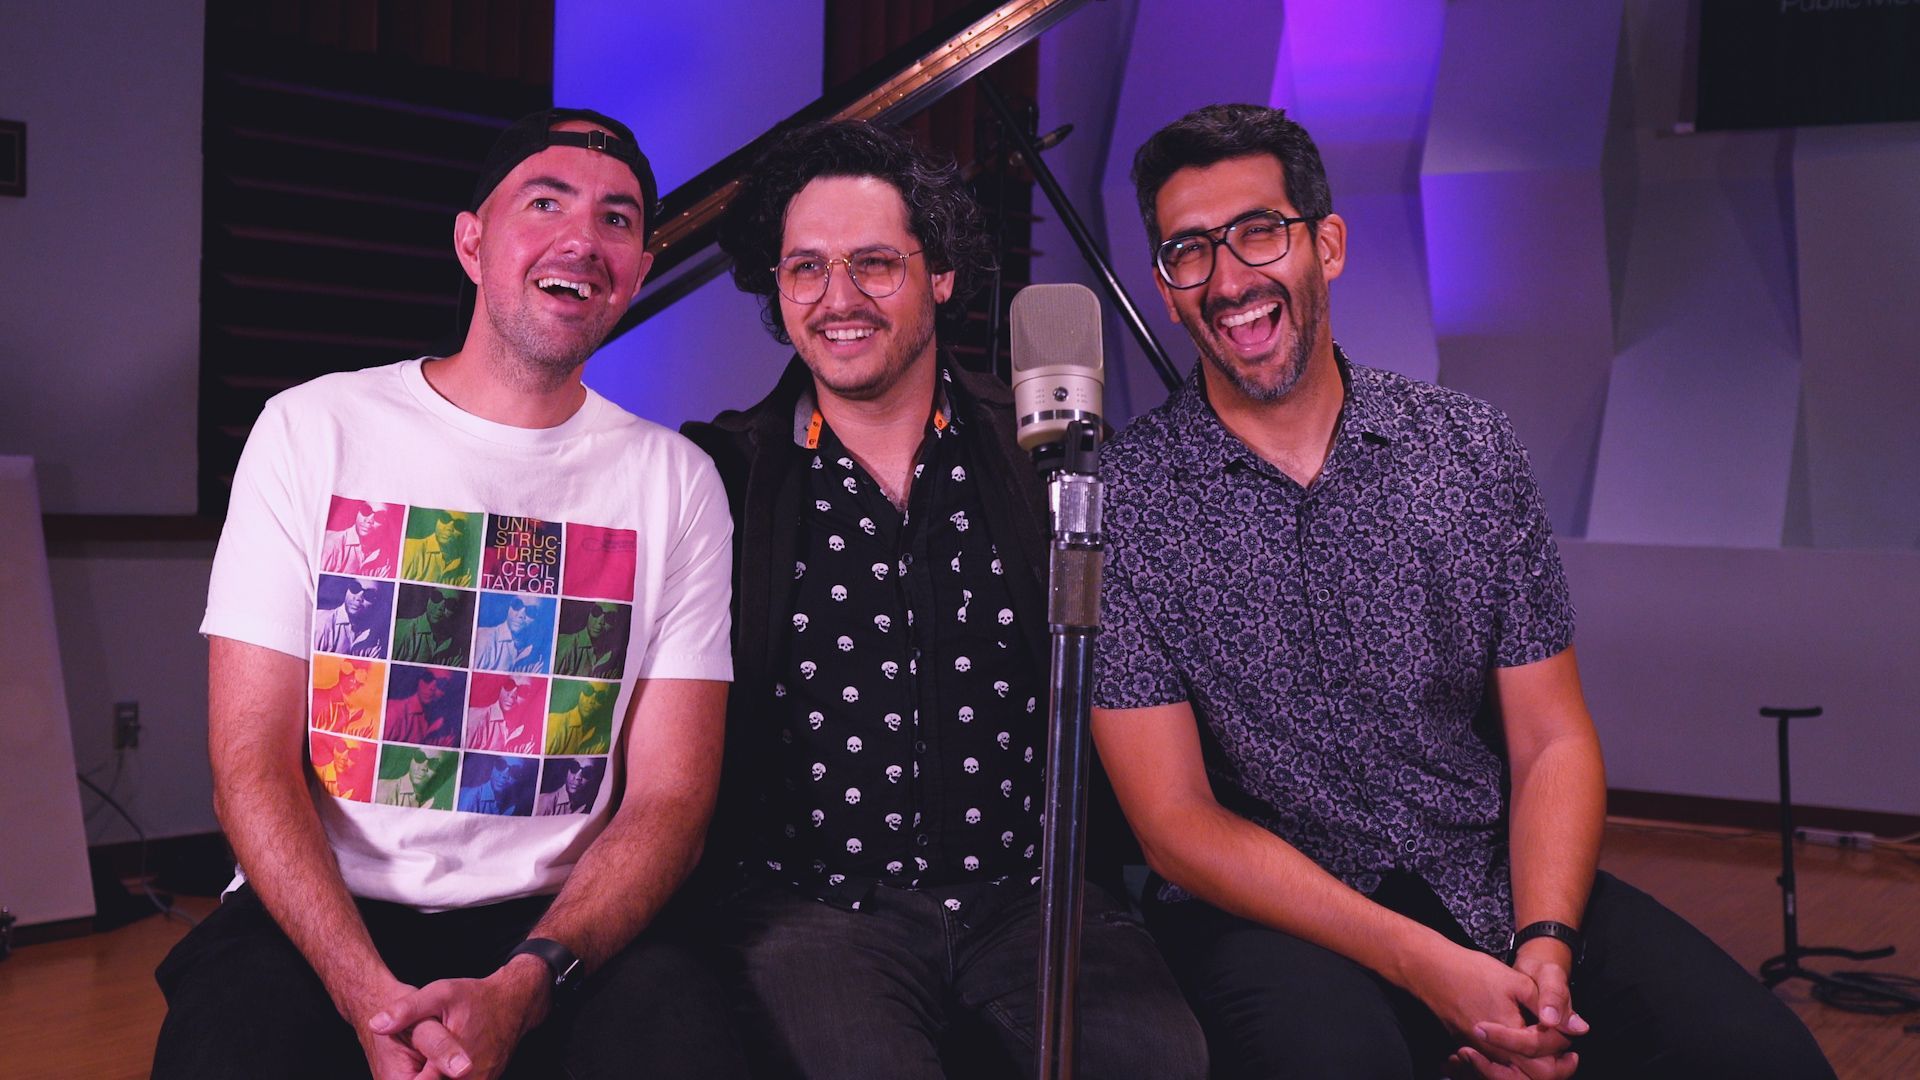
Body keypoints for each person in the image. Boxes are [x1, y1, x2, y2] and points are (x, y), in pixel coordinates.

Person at [1091, 103, 1834, 1080]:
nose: (1228, 280)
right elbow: (1176, 824)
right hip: (1279, 913)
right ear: (1164, 287)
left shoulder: (1468, 450)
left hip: (1487, 869)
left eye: (1258, 234)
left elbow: (1551, 738)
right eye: (1190, 252)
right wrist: (1428, 966)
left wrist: (1545, 951)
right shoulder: (1122, 501)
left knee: (1767, 1062)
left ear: (1328, 246)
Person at [156, 108, 744, 1080]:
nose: (581, 241)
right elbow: (249, 767)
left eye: (618, 219)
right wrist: (367, 997)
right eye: (544, 202)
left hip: (556, 931)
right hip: (322, 912)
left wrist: (523, 986)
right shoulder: (312, 431)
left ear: (640, 268)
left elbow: (672, 799)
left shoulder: (675, 483)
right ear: (471, 241)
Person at [683, 119, 1205, 1080]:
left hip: (1032, 896)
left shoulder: (1050, 454)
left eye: (876, 264)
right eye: (806, 269)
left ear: (945, 275)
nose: (838, 300)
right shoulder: (723, 472)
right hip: (817, 907)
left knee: (1161, 1060)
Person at [392, 586, 470, 667]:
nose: (440, 607)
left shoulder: (458, 649)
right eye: (437, 597)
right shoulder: (400, 630)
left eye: (450, 604)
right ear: (429, 598)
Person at [314, 577, 387, 657]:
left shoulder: (376, 639)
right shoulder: (320, 622)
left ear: (377, 603)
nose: (358, 598)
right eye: (355, 588)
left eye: (369, 594)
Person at [322, 500, 396, 577]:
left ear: (387, 524)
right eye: (366, 510)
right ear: (358, 511)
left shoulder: (385, 559)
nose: (369, 520)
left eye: (380, 516)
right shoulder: (331, 544)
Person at [384, 667, 453, 746]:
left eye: (441, 683)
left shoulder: (445, 726)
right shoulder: (394, 712)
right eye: (428, 677)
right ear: (419, 679)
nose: (431, 687)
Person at [554, 601, 624, 678]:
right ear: (589, 612)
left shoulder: (612, 658)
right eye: (597, 612)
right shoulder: (564, 645)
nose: (600, 621)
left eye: (610, 617)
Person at [546, 681, 612, 756]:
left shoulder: (601, 739)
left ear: (605, 703)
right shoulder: (554, 722)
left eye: (600, 696)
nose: (591, 701)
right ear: (580, 690)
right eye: (588, 690)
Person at [378, 747, 451, 809]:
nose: (423, 767)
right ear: (411, 758)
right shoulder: (383, 789)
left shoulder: (444, 801)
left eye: (433, 762)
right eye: (420, 757)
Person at [535, 758, 602, 816]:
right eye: (574, 768)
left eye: (587, 772)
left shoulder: (594, 805)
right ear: (567, 770)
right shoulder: (544, 802)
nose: (577, 777)